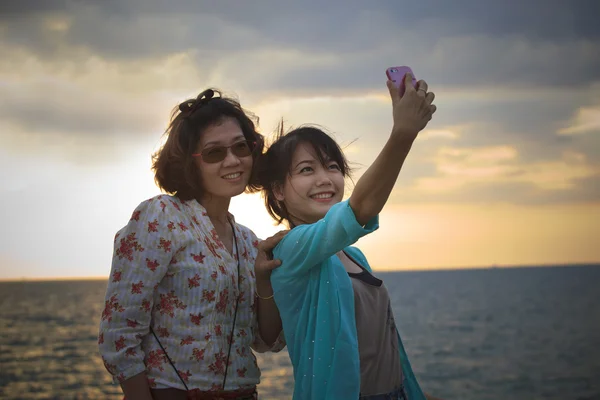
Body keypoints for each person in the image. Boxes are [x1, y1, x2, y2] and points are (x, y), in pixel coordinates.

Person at [257, 74, 442, 400]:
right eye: (306, 170)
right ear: (277, 191)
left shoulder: (354, 256)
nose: (325, 179)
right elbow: (361, 209)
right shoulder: (291, 248)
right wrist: (403, 133)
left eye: (332, 167)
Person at [99, 89, 286, 400]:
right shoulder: (160, 217)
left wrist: (265, 281)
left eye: (241, 147)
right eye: (214, 153)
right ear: (190, 162)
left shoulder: (248, 240)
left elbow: (264, 340)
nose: (233, 160)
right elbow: (119, 333)